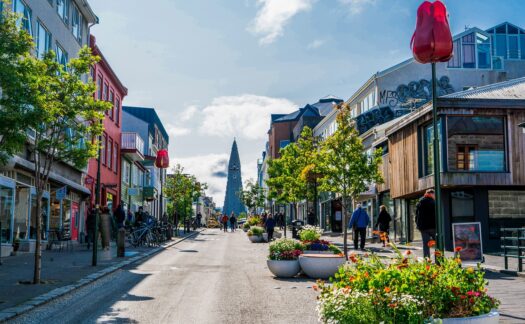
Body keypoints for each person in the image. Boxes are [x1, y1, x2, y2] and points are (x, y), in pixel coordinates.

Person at [416, 189, 436, 259]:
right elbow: (435, 215)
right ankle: (439, 259)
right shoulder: (433, 202)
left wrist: (418, 225)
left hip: (423, 227)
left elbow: (417, 215)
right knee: (438, 243)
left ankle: (427, 260)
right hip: (433, 226)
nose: (435, 196)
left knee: (426, 244)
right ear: (431, 194)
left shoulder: (420, 202)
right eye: (434, 194)